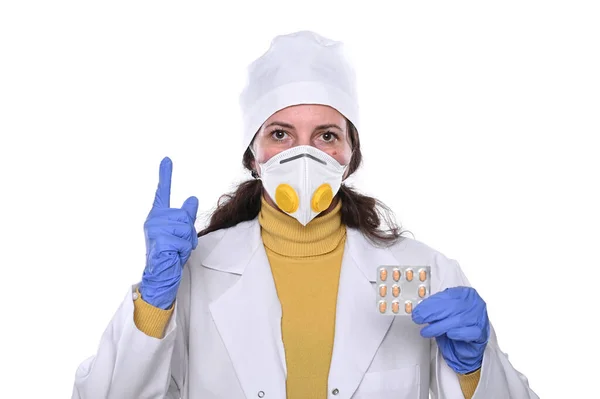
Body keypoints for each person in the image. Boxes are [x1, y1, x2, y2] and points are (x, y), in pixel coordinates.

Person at [71, 31, 538, 399]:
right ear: (253, 155)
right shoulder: (194, 274)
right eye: (280, 133)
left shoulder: (422, 272)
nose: (303, 155)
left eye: (326, 136)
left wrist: (478, 368)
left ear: (350, 155)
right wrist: (153, 304)